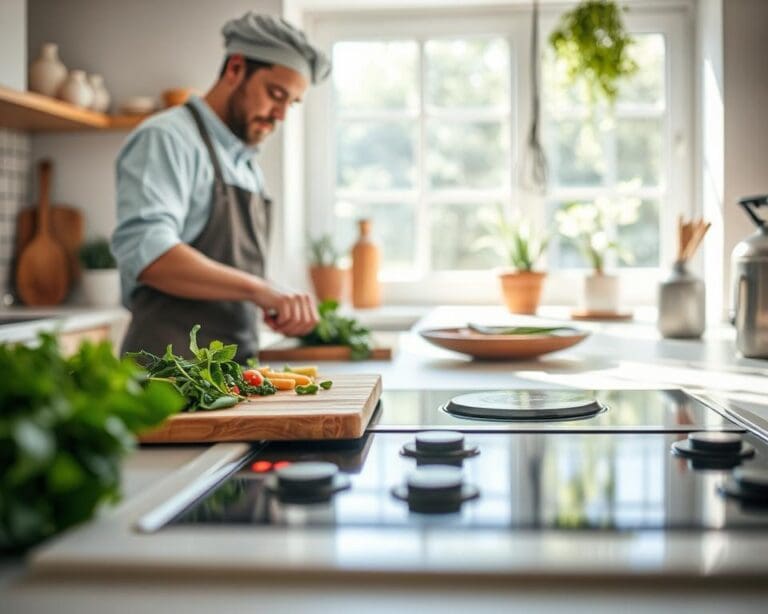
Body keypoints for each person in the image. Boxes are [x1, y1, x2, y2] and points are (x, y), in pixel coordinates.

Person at [112, 13, 330, 362]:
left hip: (230, 370)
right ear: (235, 68)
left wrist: (274, 300)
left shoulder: (246, 165)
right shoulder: (166, 138)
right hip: (169, 372)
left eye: (291, 103)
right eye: (275, 94)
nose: (281, 115)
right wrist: (260, 289)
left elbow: (231, 274)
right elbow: (149, 254)